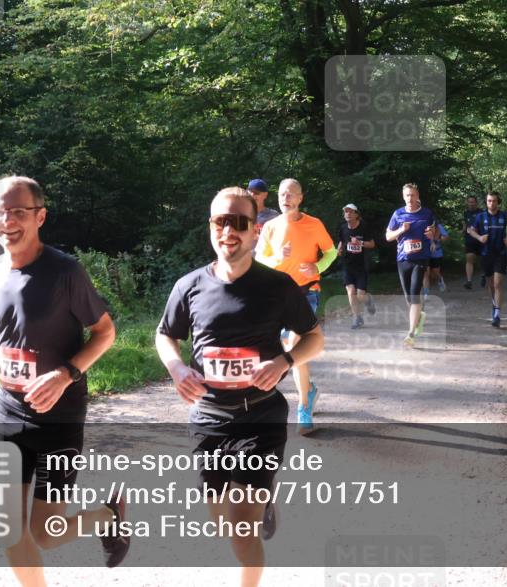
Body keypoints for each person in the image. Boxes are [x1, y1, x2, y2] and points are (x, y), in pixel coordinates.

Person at [0, 176, 127, 587]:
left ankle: (110, 516)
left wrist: (65, 373)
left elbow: (105, 333)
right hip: (8, 409)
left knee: (45, 534)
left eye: (18, 212)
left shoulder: (65, 272)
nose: (8, 220)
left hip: (59, 414)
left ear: (40, 216)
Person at [156, 187, 324, 587]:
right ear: (210, 228)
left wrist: (284, 361)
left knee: (239, 529)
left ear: (254, 233)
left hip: (261, 415)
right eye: (220, 221)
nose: (228, 230)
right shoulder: (190, 286)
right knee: (220, 522)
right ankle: (262, 504)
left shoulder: (278, 286)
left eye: (239, 222)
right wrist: (177, 368)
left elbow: (314, 337)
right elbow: (165, 335)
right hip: (209, 418)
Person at [255, 178, 336, 434]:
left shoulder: (314, 224)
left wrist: (318, 267)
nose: (285, 198)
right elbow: (259, 259)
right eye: (281, 194)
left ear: (301, 198)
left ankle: (303, 408)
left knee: (293, 346)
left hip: (306, 291)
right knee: (274, 349)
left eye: (291, 194)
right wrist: (278, 258)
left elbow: (331, 252)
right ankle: (309, 391)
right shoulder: (270, 226)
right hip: (276, 294)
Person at [385, 183, 437, 347]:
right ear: (403, 196)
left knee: (414, 294)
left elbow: (435, 232)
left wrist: (431, 235)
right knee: (409, 297)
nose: (410, 198)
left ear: (417, 195)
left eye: (413, 195)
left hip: (420, 258)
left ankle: (411, 334)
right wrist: (401, 230)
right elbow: (388, 236)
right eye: (407, 195)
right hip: (403, 259)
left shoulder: (426, 213)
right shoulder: (398, 214)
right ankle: (418, 316)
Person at [467, 191, 507, 328]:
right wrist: (479, 238)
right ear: (486, 202)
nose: (491, 203)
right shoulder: (480, 217)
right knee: (491, 285)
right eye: (489, 201)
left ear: (498, 202)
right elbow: (470, 230)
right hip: (486, 254)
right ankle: (494, 306)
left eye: (494, 201)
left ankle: (497, 315)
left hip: (500, 253)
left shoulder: (505, 215)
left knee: (498, 283)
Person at [336, 203, 377, 329]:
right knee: (350, 291)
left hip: (361, 265)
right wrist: (339, 248)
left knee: (360, 295)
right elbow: (342, 241)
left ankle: (368, 300)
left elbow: (372, 244)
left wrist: (360, 242)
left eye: (350, 212)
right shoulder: (343, 228)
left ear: (356, 214)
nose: (347, 214)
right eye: (346, 212)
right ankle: (357, 317)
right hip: (348, 265)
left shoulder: (364, 227)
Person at [462, 196, 482, 290]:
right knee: (469, 258)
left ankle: (485, 275)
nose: (471, 204)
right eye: (469, 202)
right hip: (469, 239)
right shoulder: (466, 213)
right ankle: (469, 281)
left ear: (476, 203)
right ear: (467, 203)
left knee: (481, 259)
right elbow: (465, 224)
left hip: (480, 239)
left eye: (473, 202)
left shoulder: (482, 212)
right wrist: (463, 231)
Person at [426, 221, 449, 295]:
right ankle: (426, 294)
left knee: (435, 272)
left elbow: (446, 237)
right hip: (425, 253)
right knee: (426, 273)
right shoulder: (421, 225)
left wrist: (441, 238)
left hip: (436, 252)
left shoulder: (438, 226)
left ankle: (440, 280)